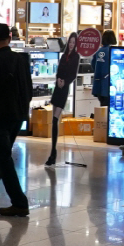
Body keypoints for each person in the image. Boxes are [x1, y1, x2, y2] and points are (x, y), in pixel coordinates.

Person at [0, 23, 31, 218]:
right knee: (1, 154)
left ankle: (19, 202)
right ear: (10, 38)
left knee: (2, 156)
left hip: (0, 116)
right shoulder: (20, 59)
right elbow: (28, 88)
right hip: (18, 114)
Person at [45, 34, 81, 167]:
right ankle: (52, 152)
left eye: (73, 42)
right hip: (57, 87)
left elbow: (73, 75)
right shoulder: (63, 56)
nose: (71, 44)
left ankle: (53, 152)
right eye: (70, 42)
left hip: (64, 89)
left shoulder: (76, 57)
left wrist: (64, 82)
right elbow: (59, 70)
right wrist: (58, 79)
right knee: (53, 119)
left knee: (55, 119)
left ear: (76, 44)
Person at [91, 30, 117, 108]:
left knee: (103, 107)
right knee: (110, 108)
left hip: (98, 86)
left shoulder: (99, 51)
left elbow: (93, 65)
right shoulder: (113, 51)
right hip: (108, 86)